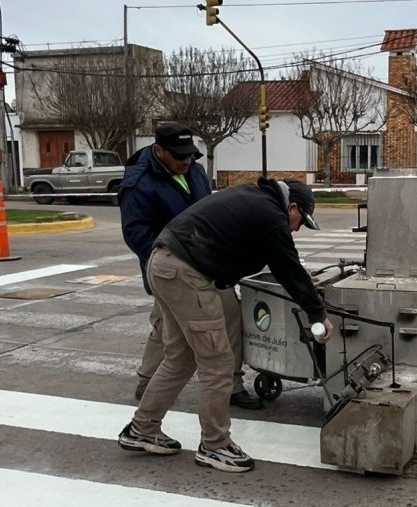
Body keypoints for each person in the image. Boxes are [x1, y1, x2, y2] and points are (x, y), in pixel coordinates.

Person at [118, 177, 333, 473]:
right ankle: (215, 445)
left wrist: (298, 279)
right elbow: (287, 266)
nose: (296, 227)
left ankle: (142, 428)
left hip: (163, 263)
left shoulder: (254, 200)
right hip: (186, 274)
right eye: (300, 220)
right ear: (291, 206)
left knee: (179, 359)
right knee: (217, 362)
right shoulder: (271, 215)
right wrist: (317, 314)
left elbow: (278, 260)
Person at [118, 122, 261, 410]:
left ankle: (232, 384)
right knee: (165, 326)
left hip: (209, 264)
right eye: (179, 156)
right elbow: (135, 233)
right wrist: (170, 260)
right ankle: (148, 382)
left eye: (190, 155)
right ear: (159, 151)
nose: (186, 161)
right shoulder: (139, 182)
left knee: (230, 314)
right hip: (170, 269)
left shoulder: (193, 170)